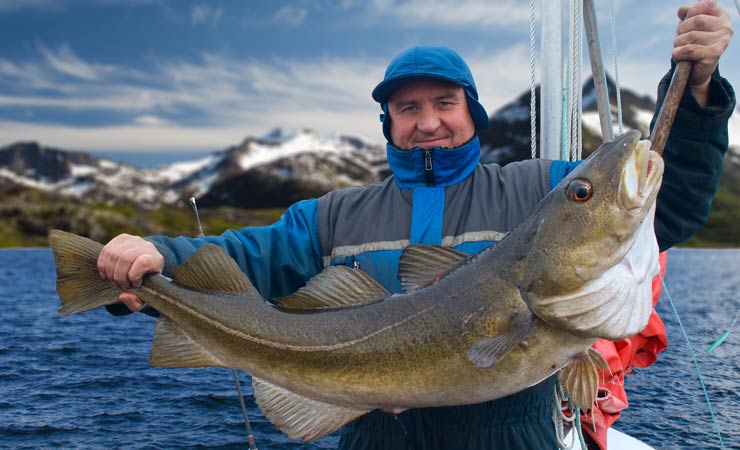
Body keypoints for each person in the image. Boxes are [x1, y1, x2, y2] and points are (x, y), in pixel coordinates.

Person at [97, 1, 735, 449]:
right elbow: (246, 257)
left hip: (508, 443)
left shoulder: (538, 188)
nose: (428, 121)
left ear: (472, 114)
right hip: (373, 439)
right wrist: (152, 260)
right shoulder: (334, 213)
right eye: (408, 108)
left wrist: (699, 91)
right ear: (390, 125)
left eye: (444, 103)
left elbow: (666, 208)